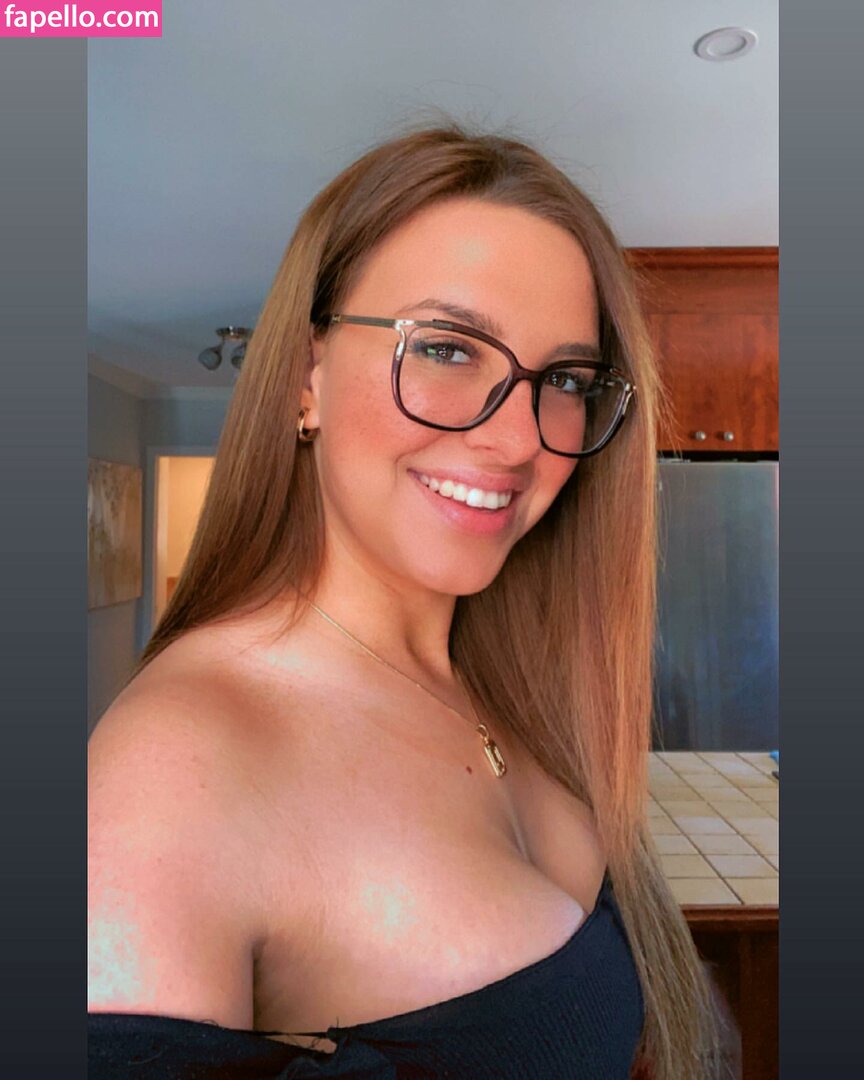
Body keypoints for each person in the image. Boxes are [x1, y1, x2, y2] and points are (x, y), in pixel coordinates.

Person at [88, 124, 720, 1078]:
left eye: (564, 379)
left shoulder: (518, 686)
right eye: (449, 348)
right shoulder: (174, 768)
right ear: (304, 377)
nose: (519, 440)